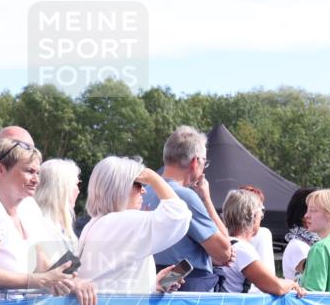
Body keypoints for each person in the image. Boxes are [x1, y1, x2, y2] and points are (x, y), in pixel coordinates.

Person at [0, 134, 96, 305]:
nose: (36, 179)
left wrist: (72, 281)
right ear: (0, 170)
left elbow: (42, 261)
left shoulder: (28, 205)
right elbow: (41, 276)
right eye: (28, 171)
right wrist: (37, 280)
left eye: (38, 172)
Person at [76, 157, 191, 294]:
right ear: (121, 187)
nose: (144, 191)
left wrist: (151, 285)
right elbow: (178, 215)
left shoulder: (93, 224)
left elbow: (109, 280)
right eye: (139, 184)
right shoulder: (123, 221)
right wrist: (153, 178)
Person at [145, 126, 234, 291]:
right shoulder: (184, 196)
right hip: (187, 289)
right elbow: (224, 253)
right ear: (195, 162)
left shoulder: (143, 192)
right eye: (204, 162)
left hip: (153, 283)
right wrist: (206, 199)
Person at [216, 189, 305, 297]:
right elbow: (276, 287)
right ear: (253, 217)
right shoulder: (243, 249)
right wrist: (292, 284)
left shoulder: (220, 244)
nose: (261, 218)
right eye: (261, 214)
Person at [34, 158, 81, 252]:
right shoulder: (44, 229)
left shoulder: (36, 220)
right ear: (62, 190)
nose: (78, 191)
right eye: (77, 184)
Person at [237, 184, 277, 291]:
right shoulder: (262, 233)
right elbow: (269, 275)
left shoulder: (222, 231)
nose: (261, 214)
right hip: (254, 298)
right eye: (260, 209)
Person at [282, 187, 318, 281]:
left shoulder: (310, 242)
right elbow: (316, 280)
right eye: (316, 210)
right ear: (304, 215)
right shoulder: (299, 246)